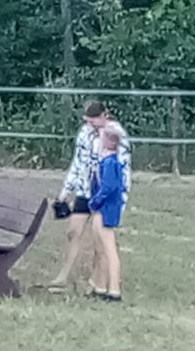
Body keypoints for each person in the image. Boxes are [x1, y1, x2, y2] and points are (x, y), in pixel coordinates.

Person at [47, 99, 132, 293]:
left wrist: (121, 200)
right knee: (73, 231)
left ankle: (97, 282)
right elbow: (78, 162)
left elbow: (123, 170)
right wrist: (65, 191)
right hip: (86, 189)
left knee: (100, 240)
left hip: (104, 193)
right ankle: (63, 277)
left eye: (93, 120)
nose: (90, 124)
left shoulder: (115, 135)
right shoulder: (85, 133)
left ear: (104, 115)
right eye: (87, 120)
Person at [86, 124, 127, 302]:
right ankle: (101, 286)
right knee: (100, 248)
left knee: (109, 249)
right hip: (101, 209)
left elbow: (108, 188)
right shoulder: (106, 162)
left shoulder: (110, 163)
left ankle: (114, 289)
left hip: (106, 209)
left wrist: (94, 202)